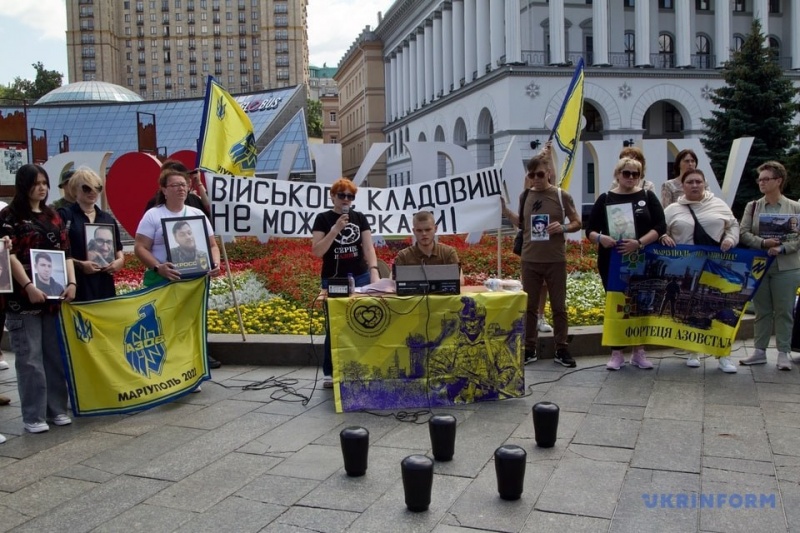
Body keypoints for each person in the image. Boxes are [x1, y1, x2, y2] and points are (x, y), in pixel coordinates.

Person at [0, 163, 77, 433]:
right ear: (24, 185)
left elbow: (65, 252)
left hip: (53, 297)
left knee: (54, 355)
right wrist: (29, 285)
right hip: (23, 300)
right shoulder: (9, 216)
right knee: (29, 358)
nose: (42, 188)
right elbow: (9, 256)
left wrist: (71, 281)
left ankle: (56, 409)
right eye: (36, 183)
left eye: (45, 182)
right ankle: (33, 415)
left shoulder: (53, 216)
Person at [135, 168, 222, 371]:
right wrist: (158, 267)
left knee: (191, 327)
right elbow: (140, 247)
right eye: (175, 185)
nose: (181, 189)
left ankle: (192, 370)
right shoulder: (153, 215)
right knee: (164, 327)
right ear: (164, 190)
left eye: (183, 185)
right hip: (163, 281)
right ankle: (168, 370)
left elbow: (212, 246)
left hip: (193, 282)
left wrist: (215, 264)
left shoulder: (196, 214)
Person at [586, 157, 666, 371]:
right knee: (617, 304)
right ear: (618, 174)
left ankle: (639, 351)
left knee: (641, 303)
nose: (631, 177)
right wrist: (600, 238)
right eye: (626, 173)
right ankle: (616, 352)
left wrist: (639, 243)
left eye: (635, 174)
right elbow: (589, 229)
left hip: (642, 258)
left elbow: (660, 226)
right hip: (613, 260)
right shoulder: (605, 198)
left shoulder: (647, 196)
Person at [661, 168, 740, 372]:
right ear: (683, 186)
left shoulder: (718, 205)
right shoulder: (672, 210)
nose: (694, 185)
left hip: (715, 267)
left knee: (720, 310)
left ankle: (723, 356)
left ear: (704, 184)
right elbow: (661, 229)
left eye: (698, 181)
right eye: (690, 182)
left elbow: (733, 225)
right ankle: (692, 351)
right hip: (687, 268)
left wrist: (730, 238)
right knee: (692, 310)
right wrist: (663, 236)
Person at [511, 152, 581, 367]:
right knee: (530, 307)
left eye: (540, 174)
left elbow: (577, 222)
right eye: (532, 175)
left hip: (555, 260)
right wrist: (504, 209)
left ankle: (561, 348)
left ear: (549, 173)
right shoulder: (525, 196)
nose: (536, 179)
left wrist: (562, 227)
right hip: (530, 259)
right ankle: (529, 348)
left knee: (559, 307)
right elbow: (522, 225)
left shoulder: (561, 195)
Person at [312, 178, 380, 387]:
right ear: (332, 196)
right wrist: (335, 230)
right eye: (342, 195)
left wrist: (374, 272)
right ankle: (330, 372)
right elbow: (317, 251)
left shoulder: (359, 218)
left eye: (350, 196)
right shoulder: (322, 219)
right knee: (334, 325)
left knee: (363, 322)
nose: (345, 200)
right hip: (333, 278)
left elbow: (368, 248)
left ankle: (363, 366)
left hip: (360, 276)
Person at [738, 161, 800, 370]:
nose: (761, 183)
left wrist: (782, 248)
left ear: (778, 181)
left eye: (766, 179)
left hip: (787, 266)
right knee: (762, 310)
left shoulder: (794, 207)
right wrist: (763, 243)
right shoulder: (753, 206)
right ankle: (759, 351)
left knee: (784, 310)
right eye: (760, 179)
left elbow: (798, 239)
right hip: (761, 264)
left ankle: (783, 352)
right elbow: (743, 232)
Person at [58, 167, 125, 302]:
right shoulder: (64, 215)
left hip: (104, 285)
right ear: (75, 189)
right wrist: (80, 265)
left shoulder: (107, 219)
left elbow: (118, 249)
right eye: (86, 188)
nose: (93, 192)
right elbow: (58, 252)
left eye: (97, 188)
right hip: (77, 285)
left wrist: (119, 262)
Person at [395, 210, 461, 270]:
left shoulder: (448, 253)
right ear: (414, 231)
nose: (424, 234)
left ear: (435, 228)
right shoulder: (403, 256)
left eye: (428, 230)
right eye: (419, 230)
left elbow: (459, 280)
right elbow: (393, 279)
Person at [145, 161, 211, 218]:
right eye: (176, 184)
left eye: (183, 183)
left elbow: (210, 211)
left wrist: (199, 183)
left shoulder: (194, 200)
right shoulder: (153, 209)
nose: (188, 180)